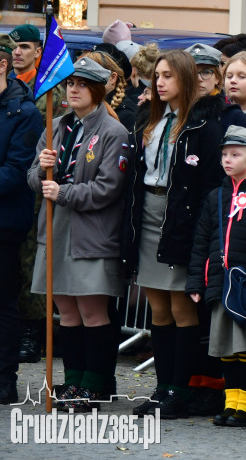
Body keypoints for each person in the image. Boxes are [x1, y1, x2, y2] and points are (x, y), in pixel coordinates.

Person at [125, 49, 226, 418]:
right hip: (149, 213)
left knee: (182, 308)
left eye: (168, 76)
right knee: (158, 309)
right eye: (158, 76)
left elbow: (208, 187)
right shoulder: (149, 119)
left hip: (180, 218)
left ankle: (179, 391)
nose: (160, 82)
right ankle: (161, 387)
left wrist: (199, 234)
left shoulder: (204, 125)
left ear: (184, 79)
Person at [25, 57, 125, 409]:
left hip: (92, 233)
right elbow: (32, 176)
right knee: (66, 312)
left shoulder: (114, 132)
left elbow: (108, 187)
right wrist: (42, 170)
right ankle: (72, 383)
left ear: (98, 90)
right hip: (56, 229)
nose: (73, 89)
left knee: (92, 312)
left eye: (82, 84)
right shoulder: (57, 125)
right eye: (70, 83)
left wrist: (62, 192)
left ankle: (94, 387)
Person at [186, 126, 246, 428]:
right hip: (220, 283)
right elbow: (202, 240)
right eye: (224, 154)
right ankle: (231, 403)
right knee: (226, 347)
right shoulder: (217, 195)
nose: (227, 160)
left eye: (235, 154)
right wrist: (197, 282)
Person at [0, 34, 44, 403]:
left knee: (3, 303)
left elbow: (15, 172)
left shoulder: (23, 111)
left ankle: (3, 378)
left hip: (4, 224)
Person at [187, 43, 246, 134]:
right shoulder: (176, 113)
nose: (199, 79)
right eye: (192, 73)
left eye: (206, 72)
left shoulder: (234, 116)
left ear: (217, 78)